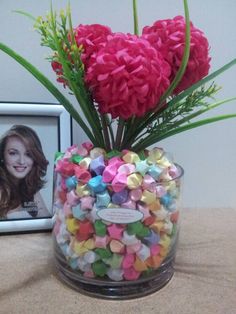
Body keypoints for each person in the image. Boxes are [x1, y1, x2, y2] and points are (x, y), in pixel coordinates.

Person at [0, 125, 50, 219]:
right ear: (2, 156)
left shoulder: (29, 187)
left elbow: (45, 220)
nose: (21, 161)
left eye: (28, 154)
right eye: (13, 153)